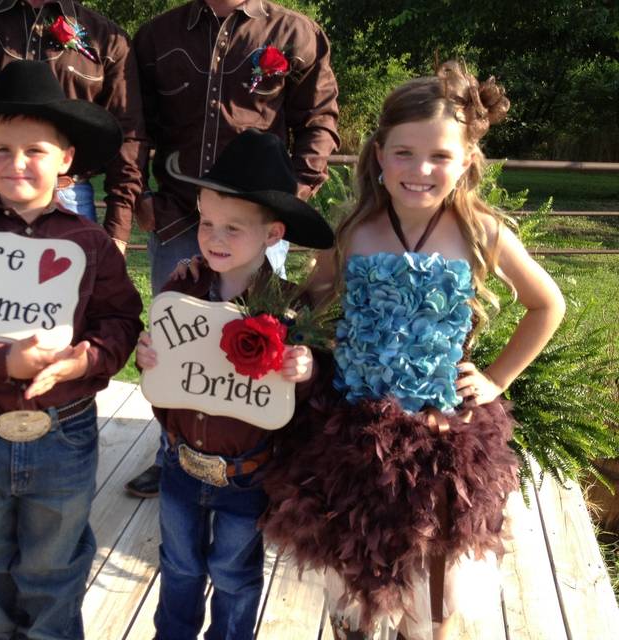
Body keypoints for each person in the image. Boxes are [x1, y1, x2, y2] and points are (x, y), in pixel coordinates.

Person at [260, 62, 566, 640]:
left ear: (466, 162)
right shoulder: (353, 232)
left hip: (440, 440)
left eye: (439, 157)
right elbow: (311, 305)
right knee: (355, 582)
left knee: (434, 590)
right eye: (403, 152)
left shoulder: (480, 233)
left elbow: (547, 305)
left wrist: (498, 378)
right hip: (354, 441)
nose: (420, 170)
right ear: (378, 154)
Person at [0, 60, 143, 640]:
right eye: (1, 149)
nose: (17, 163)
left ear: (66, 159)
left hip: (63, 430)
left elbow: (120, 318)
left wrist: (86, 357)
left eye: (36, 150)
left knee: (54, 559)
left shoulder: (90, 242)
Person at [127, 0, 340, 498]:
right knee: (177, 344)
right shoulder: (158, 34)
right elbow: (136, 124)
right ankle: (174, 454)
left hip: (257, 225)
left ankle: (260, 458)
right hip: (181, 217)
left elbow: (320, 121)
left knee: (264, 343)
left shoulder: (296, 33)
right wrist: (141, 197)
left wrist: (288, 202)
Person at [136, 128, 334, 639]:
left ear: (272, 235)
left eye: (233, 228)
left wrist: (304, 372)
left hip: (249, 475)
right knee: (178, 567)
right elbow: (169, 380)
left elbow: (302, 402)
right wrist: (150, 359)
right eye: (206, 223)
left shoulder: (290, 307)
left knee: (234, 573)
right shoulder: (182, 287)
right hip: (180, 462)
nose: (215, 238)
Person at [0, 0, 144, 250]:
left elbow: (129, 136)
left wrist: (117, 230)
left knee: (74, 288)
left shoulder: (108, 39)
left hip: (69, 194)